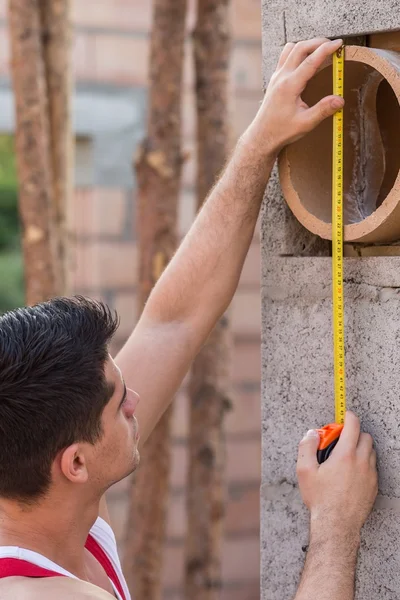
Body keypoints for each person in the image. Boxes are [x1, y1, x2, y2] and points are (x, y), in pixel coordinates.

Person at [0, 38, 377, 600]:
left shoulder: (40, 488)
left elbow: (172, 322)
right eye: (118, 402)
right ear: (75, 463)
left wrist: (260, 141)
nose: (136, 401)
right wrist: (335, 527)